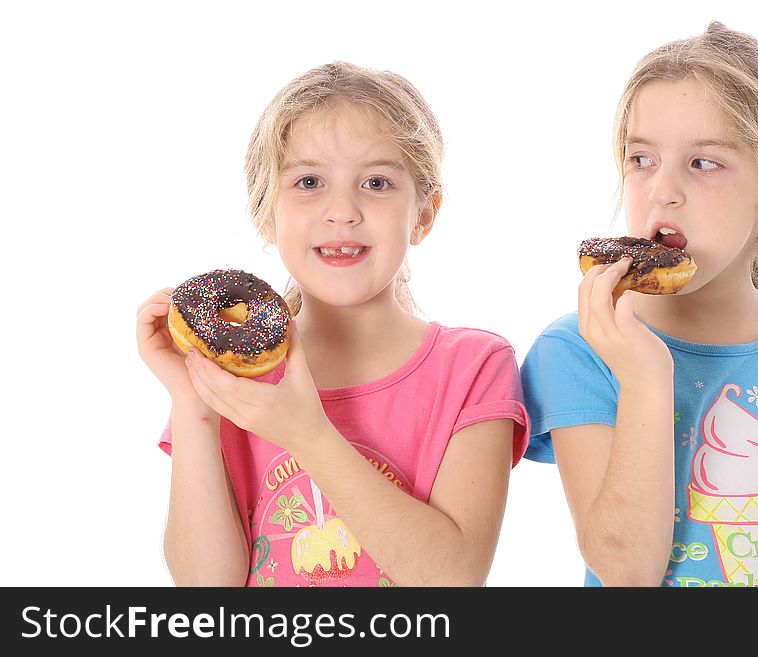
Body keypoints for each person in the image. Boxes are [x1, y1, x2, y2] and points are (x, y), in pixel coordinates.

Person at [136, 62, 528, 587]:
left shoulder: (473, 367)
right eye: (309, 181)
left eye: (376, 182)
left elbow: (453, 579)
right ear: (266, 213)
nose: (341, 210)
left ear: (424, 214)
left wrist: (309, 436)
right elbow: (208, 587)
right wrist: (193, 405)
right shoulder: (230, 381)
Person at [521, 22, 758, 587]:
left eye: (703, 163)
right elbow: (626, 569)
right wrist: (643, 378)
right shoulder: (577, 352)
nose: (663, 190)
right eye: (641, 159)